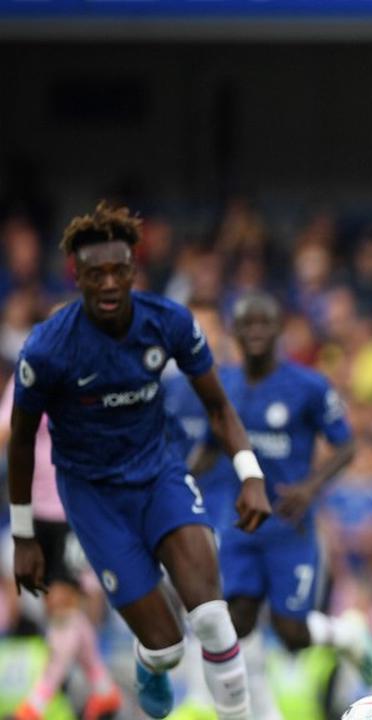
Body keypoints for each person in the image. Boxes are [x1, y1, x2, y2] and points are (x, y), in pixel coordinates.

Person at [7, 202, 272, 720]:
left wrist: (251, 474)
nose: (108, 283)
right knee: (168, 648)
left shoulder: (168, 322)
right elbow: (19, 442)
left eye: (118, 270)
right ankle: (151, 660)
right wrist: (23, 536)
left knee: (213, 619)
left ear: (134, 271)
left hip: (159, 476)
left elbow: (219, 407)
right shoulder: (48, 349)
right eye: (95, 273)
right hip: (94, 497)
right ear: (77, 277)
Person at [186, 292, 372, 720]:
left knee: (290, 632)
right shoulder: (223, 383)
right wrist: (180, 483)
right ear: (235, 332)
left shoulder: (308, 386)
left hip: (289, 527)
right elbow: (211, 446)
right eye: (247, 324)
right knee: (236, 623)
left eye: (264, 324)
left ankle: (347, 634)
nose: (255, 332)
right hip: (239, 525)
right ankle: (264, 714)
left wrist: (310, 487)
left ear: (279, 330)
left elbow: (346, 446)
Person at [1, 372, 121, 720]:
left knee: (64, 604)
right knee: (59, 613)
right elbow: (6, 428)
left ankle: (36, 705)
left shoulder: (88, 375)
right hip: (35, 511)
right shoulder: (27, 375)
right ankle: (104, 690)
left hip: (75, 509)